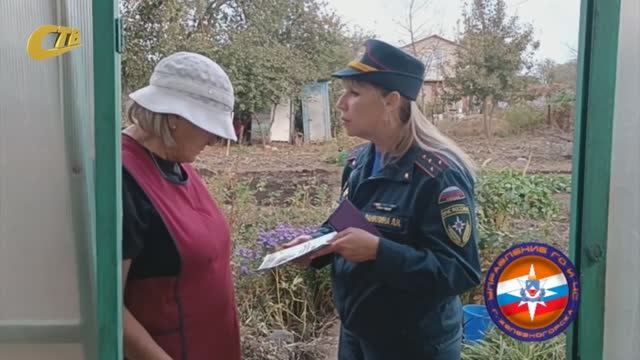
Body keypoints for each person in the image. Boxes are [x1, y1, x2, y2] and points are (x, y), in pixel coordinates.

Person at [286, 39, 482, 359]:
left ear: (391, 101)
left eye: (354, 93)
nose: (341, 104)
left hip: (413, 344)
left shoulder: (438, 175)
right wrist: (315, 244)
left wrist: (379, 252)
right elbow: (347, 223)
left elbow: (460, 271)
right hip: (358, 331)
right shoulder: (359, 161)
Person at [121, 52, 241, 360]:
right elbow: (107, 306)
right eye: (208, 126)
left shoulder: (177, 160)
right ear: (174, 118)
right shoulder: (122, 178)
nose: (214, 140)